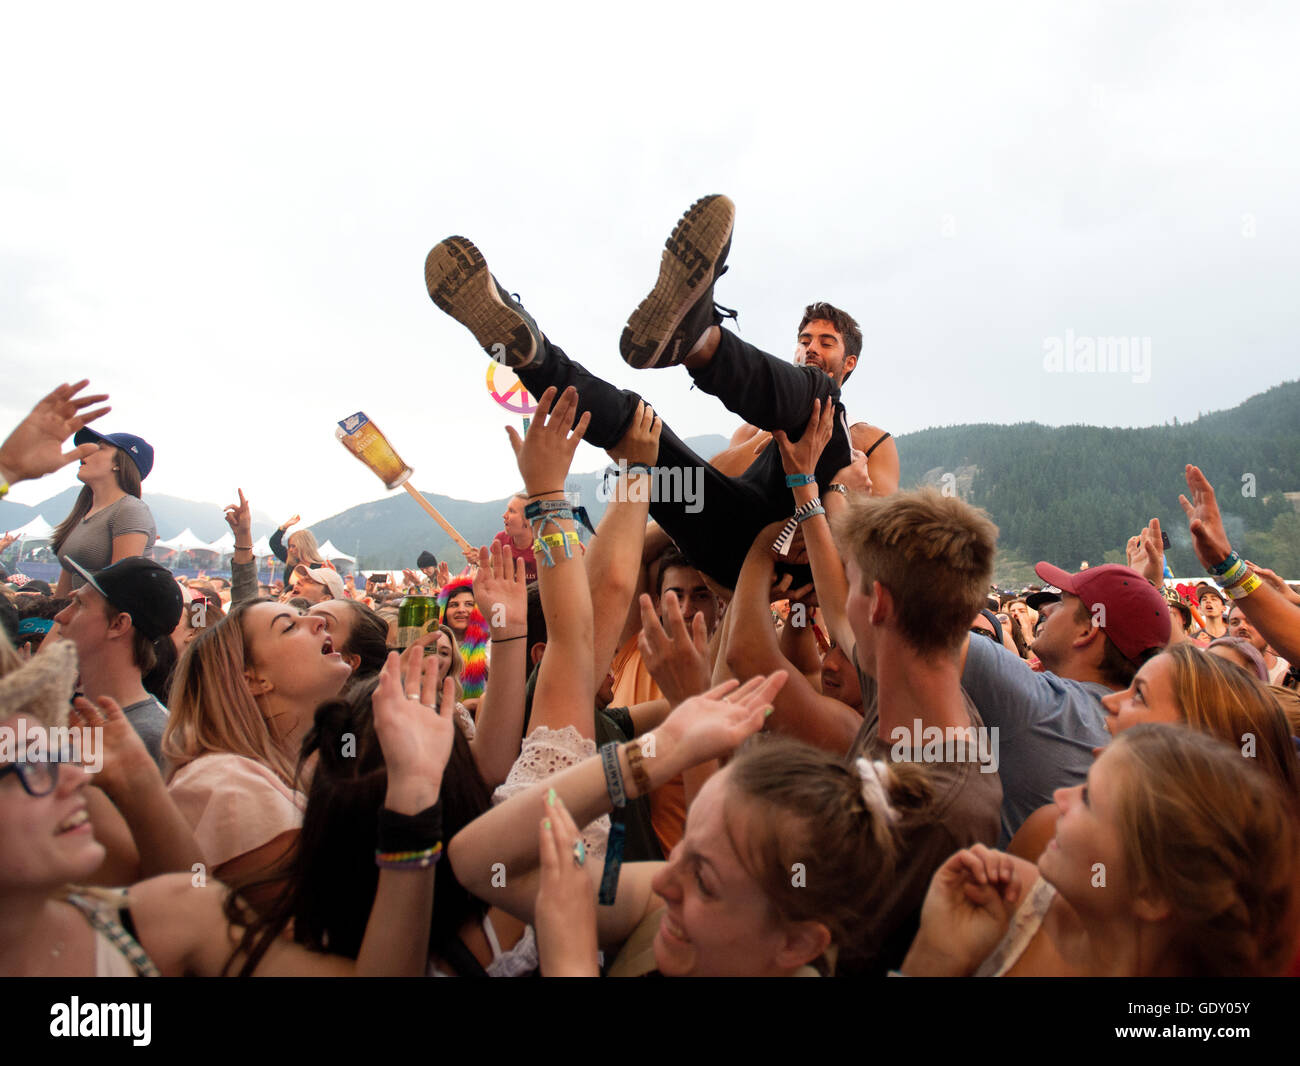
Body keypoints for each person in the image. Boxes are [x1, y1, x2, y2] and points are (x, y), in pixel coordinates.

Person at [426, 195, 874, 589]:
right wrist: (787, 457)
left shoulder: (869, 436)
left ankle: (698, 341)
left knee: (820, 398)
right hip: (728, 536)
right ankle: (537, 359)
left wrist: (825, 496)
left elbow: (876, 513)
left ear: (850, 361)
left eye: (826, 343)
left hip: (798, 564)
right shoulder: (752, 425)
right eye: (805, 341)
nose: (811, 348)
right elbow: (712, 473)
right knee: (638, 427)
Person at [450, 671, 943, 976]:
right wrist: (652, 756)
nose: (664, 878)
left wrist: (572, 964)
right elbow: (478, 862)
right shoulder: (661, 908)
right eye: (684, 850)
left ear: (797, 943)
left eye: (705, 880)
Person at [0, 649, 451, 977]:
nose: (76, 776)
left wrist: (413, 796)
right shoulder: (227, 783)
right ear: (252, 679)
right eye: (30, 762)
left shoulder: (163, 921)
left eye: (59, 753)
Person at [901, 725, 1300, 976]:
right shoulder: (1008, 898)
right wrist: (935, 957)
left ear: (1150, 892)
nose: (1060, 796)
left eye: (1089, 797)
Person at [161, 599, 352, 893]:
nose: (318, 621)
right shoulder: (229, 786)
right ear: (253, 679)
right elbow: (311, 932)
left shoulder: (313, 764)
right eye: (289, 626)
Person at [52, 557, 184, 769]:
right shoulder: (62, 711)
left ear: (118, 624)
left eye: (80, 604)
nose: (60, 616)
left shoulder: (154, 738)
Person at [50, 429, 157, 597]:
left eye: (99, 448)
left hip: (100, 620)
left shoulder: (130, 509)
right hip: (74, 617)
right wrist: (52, 618)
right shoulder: (84, 513)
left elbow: (119, 586)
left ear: (119, 463)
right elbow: (62, 592)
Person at [494, 493, 539, 583]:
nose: (504, 515)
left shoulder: (542, 548)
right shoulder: (500, 540)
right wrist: (476, 560)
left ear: (528, 520)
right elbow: (492, 569)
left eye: (511, 511)